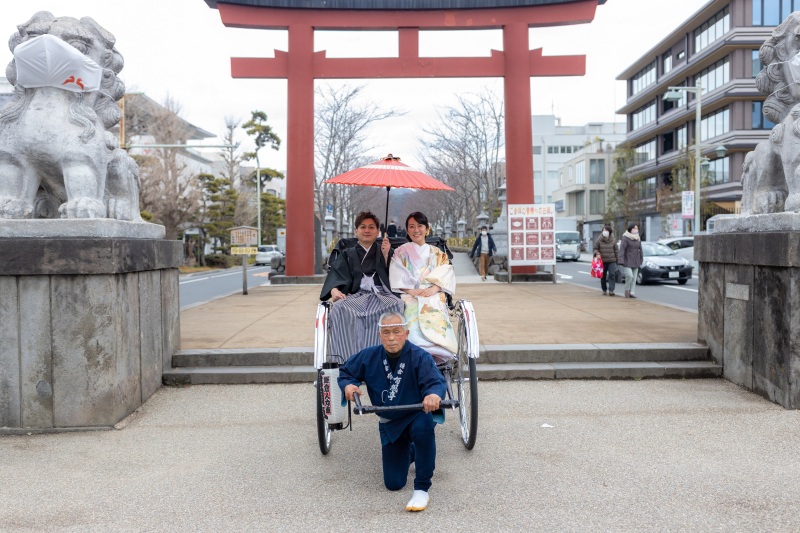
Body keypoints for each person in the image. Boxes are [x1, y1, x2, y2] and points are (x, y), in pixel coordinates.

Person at [338, 311, 447, 512]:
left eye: (396, 332)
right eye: (386, 332)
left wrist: (433, 395)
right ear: (379, 335)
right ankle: (412, 451)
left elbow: (434, 381)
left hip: (416, 414)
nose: (391, 338)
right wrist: (348, 386)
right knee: (394, 483)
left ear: (406, 333)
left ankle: (422, 489)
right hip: (390, 422)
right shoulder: (369, 356)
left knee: (423, 428)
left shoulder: (419, 356)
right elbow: (346, 372)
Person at [320, 211, 403, 359]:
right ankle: (344, 359)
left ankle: (386, 357)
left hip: (380, 295)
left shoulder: (385, 250)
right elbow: (336, 275)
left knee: (397, 304)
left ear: (378, 231)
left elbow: (396, 275)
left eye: (371, 227)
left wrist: (385, 255)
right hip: (355, 296)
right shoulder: (347, 254)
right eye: (363, 227)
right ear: (356, 231)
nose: (367, 230)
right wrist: (333, 290)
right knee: (338, 309)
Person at [389, 212, 457, 364]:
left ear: (427, 229)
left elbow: (447, 271)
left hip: (433, 293)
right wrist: (411, 290)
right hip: (410, 294)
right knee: (411, 314)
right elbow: (396, 274)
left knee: (435, 308)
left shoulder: (438, 253)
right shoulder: (400, 252)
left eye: (420, 226)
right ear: (407, 230)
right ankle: (417, 349)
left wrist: (434, 288)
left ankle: (438, 350)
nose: (416, 230)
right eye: (411, 227)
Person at [618, 223, 644, 299]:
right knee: (630, 276)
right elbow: (622, 250)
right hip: (627, 260)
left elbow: (640, 249)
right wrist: (621, 260)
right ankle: (626, 290)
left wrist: (641, 259)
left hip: (636, 260)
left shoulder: (638, 238)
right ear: (630, 229)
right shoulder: (625, 237)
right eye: (634, 228)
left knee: (634, 278)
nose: (636, 230)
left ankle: (632, 292)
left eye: (637, 228)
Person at [592, 225, 619, 296]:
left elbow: (616, 250)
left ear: (609, 232)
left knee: (612, 275)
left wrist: (618, 260)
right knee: (603, 276)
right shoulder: (599, 240)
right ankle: (604, 289)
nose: (604, 232)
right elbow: (595, 248)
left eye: (606, 230)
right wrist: (597, 253)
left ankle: (611, 290)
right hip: (602, 261)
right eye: (603, 230)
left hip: (612, 260)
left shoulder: (613, 240)